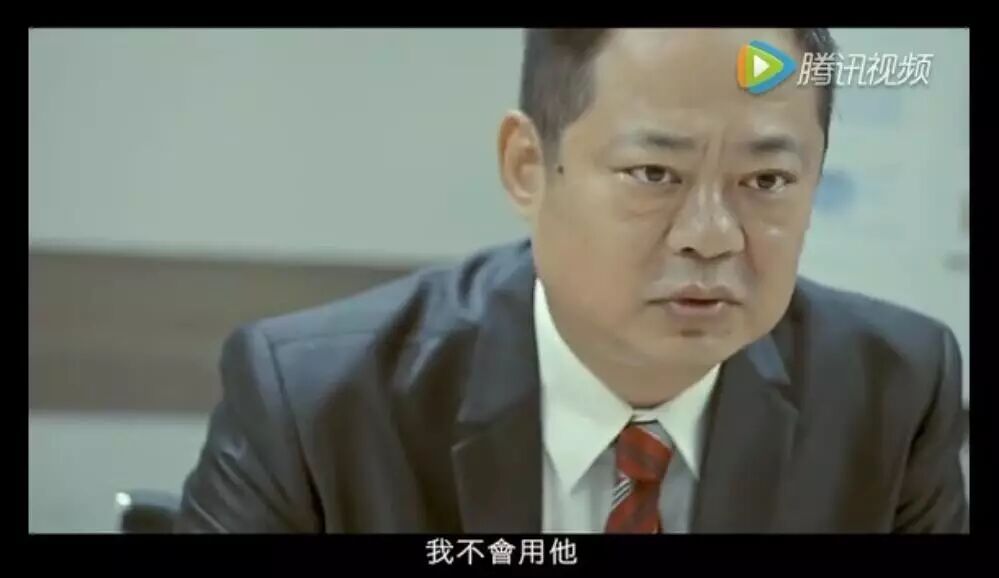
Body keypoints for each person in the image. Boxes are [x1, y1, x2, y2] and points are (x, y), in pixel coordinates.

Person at [175, 28, 968, 533]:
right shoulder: (318, 405)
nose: (710, 236)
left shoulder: (892, 391)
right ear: (527, 166)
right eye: (654, 173)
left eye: (765, 181)